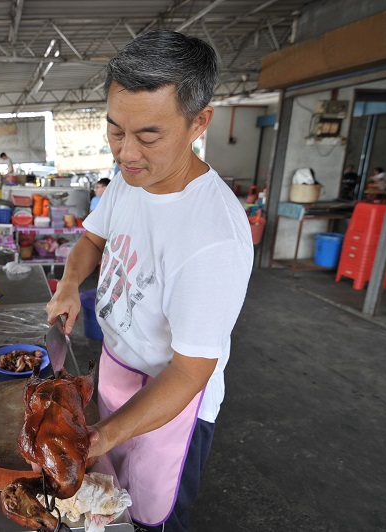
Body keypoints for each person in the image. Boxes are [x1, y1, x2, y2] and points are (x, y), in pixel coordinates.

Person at [45, 30, 253, 531]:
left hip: (172, 402)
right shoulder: (130, 178)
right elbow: (93, 239)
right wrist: (71, 284)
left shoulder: (213, 240)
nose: (125, 152)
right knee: (105, 503)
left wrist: (100, 437)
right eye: (115, 130)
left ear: (199, 122)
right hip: (115, 369)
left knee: (148, 518)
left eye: (148, 136)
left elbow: (188, 373)